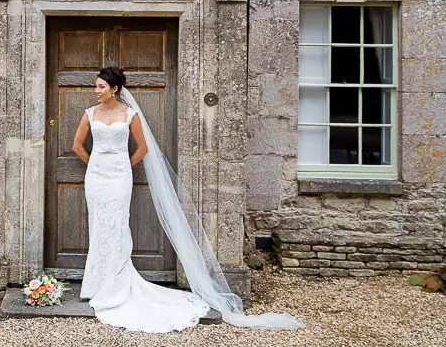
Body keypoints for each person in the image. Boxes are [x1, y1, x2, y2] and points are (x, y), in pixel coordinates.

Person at [72, 66, 305, 332]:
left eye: (101, 86)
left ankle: (117, 282)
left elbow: (143, 148)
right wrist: (96, 164)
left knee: (117, 226)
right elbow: (77, 146)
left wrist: (124, 166)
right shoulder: (90, 114)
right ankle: (95, 283)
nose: (96, 91)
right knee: (99, 226)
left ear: (114, 89)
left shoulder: (130, 114)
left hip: (120, 179)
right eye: (96, 86)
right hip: (97, 179)